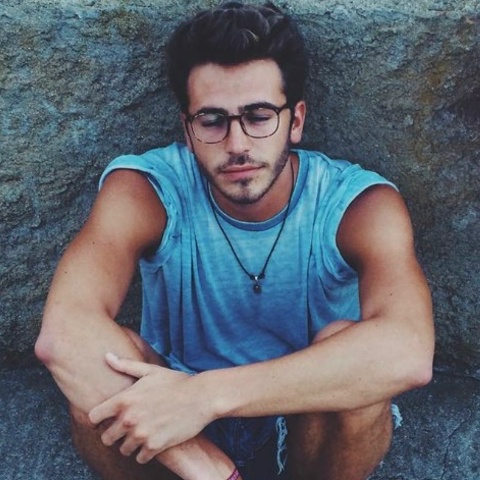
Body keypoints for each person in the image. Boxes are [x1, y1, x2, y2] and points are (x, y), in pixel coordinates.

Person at [35, 2, 435, 480]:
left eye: (259, 116)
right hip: (170, 425)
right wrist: (208, 467)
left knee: (353, 368)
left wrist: (205, 395)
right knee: (99, 376)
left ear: (296, 120)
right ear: (188, 129)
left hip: (300, 413)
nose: (237, 143)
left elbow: (408, 352)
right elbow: (63, 333)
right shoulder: (147, 189)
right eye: (212, 120)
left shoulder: (358, 204)